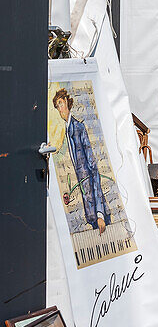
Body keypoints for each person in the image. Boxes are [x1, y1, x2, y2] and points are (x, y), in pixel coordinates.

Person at [52, 89, 111, 235]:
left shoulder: (78, 126)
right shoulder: (67, 128)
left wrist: (99, 214)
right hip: (81, 184)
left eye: (61, 104)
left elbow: (93, 166)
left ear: (67, 102)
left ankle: (100, 216)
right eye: (57, 106)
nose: (60, 109)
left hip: (89, 184)